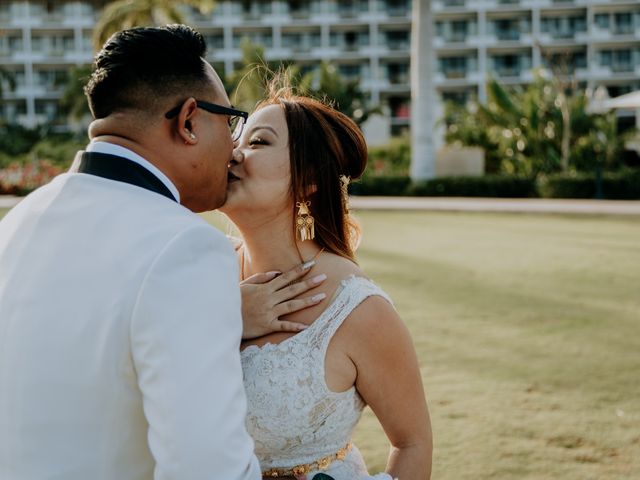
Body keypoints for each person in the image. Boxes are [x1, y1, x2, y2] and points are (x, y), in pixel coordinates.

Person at [0, 25, 312, 480]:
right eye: (229, 122)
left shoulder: (19, 220)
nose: (233, 149)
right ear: (189, 121)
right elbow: (207, 469)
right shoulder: (185, 248)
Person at [220, 84, 433, 479]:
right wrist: (226, 315)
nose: (232, 152)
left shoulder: (358, 310)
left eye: (258, 142)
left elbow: (413, 444)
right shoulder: (200, 268)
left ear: (307, 180)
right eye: (235, 139)